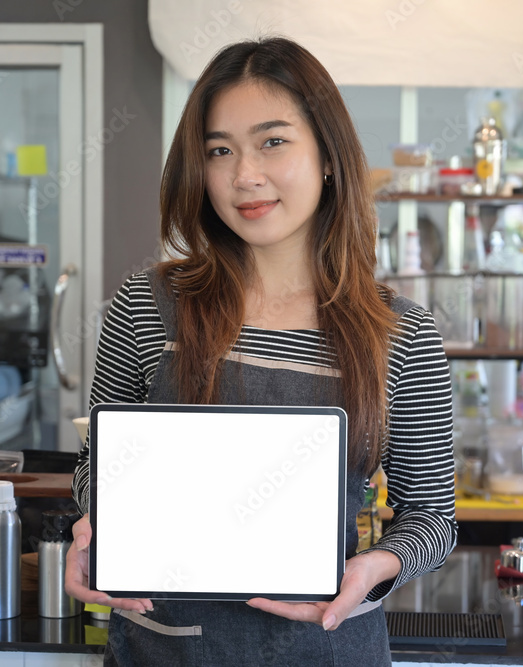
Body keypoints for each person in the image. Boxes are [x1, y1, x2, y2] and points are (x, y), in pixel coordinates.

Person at [66, 36, 457, 666]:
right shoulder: (148, 304)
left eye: (273, 141)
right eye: (219, 150)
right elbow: (95, 466)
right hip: (168, 650)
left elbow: (432, 516)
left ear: (328, 155)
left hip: (328, 645)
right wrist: (93, 520)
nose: (244, 175)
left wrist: (373, 568)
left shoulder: (399, 331)